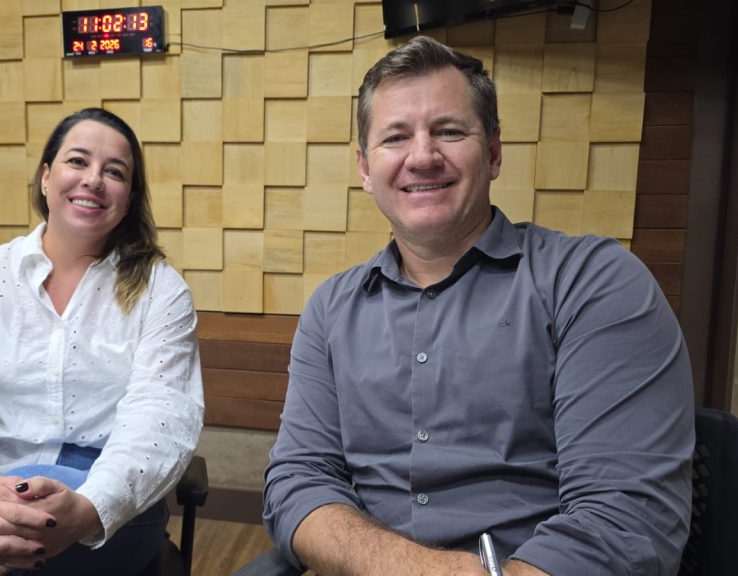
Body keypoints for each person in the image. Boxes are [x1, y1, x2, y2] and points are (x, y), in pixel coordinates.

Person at [262, 36, 693, 575]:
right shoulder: (330, 310)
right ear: (366, 169)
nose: (423, 157)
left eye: (448, 131)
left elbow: (625, 521)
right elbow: (299, 481)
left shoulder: (592, 283)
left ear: (492, 154)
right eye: (396, 137)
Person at [0, 107, 204, 576]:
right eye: (77, 161)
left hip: (109, 511)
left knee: (31, 494)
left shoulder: (161, 292)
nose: (93, 179)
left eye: (114, 172)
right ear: (45, 178)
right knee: (7, 511)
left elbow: (160, 421)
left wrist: (88, 507)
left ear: (129, 198)